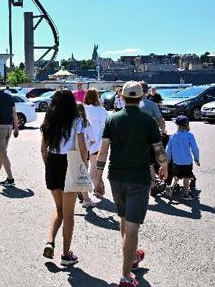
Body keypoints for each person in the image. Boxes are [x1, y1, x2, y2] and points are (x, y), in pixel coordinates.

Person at [93, 81, 168, 287]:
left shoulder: (112, 119)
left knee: (124, 219)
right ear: (142, 97)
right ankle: (126, 276)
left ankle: (132, 256)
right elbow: (158, 149)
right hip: (138, 178)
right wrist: (165, 166)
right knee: (133, 226)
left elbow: (103, 150)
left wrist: (97, 176)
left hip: (116, 177)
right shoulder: (148, 121)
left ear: (123, 98)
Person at [40, 89, 88, 267]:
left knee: (58, 209)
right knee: (69, 214)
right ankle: (66, 255)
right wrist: (83, 167)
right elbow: (82, 148)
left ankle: (49, 241)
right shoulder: (76, 121)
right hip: (70, 161)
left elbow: (43, 150)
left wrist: (49, 167)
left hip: (53, 162)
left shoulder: (49, 120)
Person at [165, 116, 200, 201]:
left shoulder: (173, 136)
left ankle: (171, 188)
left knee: (176, 176)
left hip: (176, 161)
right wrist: (196, 158)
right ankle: (186, 194)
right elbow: (195, 148)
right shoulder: (189, 135)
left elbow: (168, 149)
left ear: (178, 126)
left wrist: (168, 159)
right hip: (187, 161)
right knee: (186, 177)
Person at [82, 88, 108, 203]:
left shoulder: (82, 109)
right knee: (94, 168)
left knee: (83, 167)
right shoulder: (102, 110)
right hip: (98, 143)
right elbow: (106, 126)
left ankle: (84, 189)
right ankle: (95, 189)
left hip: (83, 143)